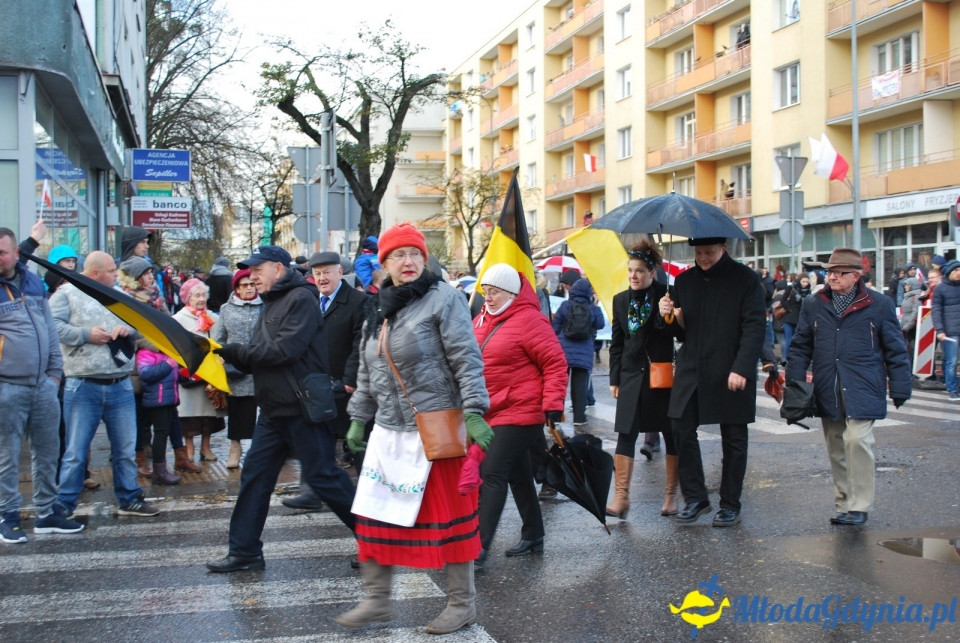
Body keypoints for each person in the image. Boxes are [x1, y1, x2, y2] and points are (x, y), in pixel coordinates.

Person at [336, 223, 492, 634]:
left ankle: (463, 604)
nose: (408, 262)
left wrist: (475, 411)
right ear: (383, 263)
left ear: (425, 259)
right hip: (389, 431)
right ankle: (376, 600)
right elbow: (369, 369)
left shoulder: (444, 298)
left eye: (415, 254)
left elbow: (466, 358)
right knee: (373, 514)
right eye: (399, 255)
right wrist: (357, 416)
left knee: (450, 519)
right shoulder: (377, 308)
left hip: (435, 426)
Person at [207, 245, 357, 573]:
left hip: (301, 406)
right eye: (249, 272)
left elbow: (284, 351)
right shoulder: (274, 301)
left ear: (278, 268)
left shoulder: (300, 299)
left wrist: (235, 353)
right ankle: (244, 551)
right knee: (255, 477)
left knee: (324, 477)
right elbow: (264, 353)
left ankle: (378, 542)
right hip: (275, 408)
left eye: (257, 271)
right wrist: (229, 359)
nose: (252, 277)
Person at [786, 248, 911, 526]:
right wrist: (794, 382)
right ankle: (845, 503)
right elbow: (800, 345)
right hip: (828, 384)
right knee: (836, 446)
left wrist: (901, 386)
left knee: (857, 440)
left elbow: (895, 348)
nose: (831, 276)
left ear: (856, 276)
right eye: (829, 271)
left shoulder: (879, 304)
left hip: (864, 384)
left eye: (838, 272)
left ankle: (860, 505)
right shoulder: (814, 303)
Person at [659, 237, 765, 527]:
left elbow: (755, 326)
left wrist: (742, 368)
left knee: (734, 439)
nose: (703, 258)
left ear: (723, 249)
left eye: (710, 253)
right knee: (679, 426)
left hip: (730, 367)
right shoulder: (684, 281)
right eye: (699, 253)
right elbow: (680, 333)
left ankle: (730, 503)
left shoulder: (746, 279)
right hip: (692, 367)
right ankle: (695, 497)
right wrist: (668, 316)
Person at [50, 251, 160, 518]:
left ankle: (129, 497)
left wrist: (129, 331)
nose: (116, 274)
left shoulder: (120, 295)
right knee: (76, 450)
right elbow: (51, 326)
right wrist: (85, 334)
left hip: (120, 383)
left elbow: (141, 327)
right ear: (95, 272)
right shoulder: (66, 294)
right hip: (83, 383)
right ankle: (65, 502)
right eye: (112, 270)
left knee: (125, 448)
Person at [473, 264, 567, 567]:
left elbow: (555, 363)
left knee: (492, 472)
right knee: (518, 473)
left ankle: (478, 547)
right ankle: (534, 534)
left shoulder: (530, 320)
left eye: (495, 291)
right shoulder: (480, 321)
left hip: (522, 410)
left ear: (512, 293)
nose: (488, 297)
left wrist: (553, 404)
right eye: (485, 291)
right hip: (492, 409)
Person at [0, 228, 84, 543]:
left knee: (48, 451)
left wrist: (54, 375)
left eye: (2, 252)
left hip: (43, 385)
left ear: (15, 254)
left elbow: (48, 327)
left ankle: (46, 512)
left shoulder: (34, 282)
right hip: (7, 386)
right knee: (7, 454)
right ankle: (7, 515)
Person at [282, 251, 369, 511]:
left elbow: (360, 343)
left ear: (340, 272)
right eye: (317, 273)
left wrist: (350, 378)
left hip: (347, 384)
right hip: (317, 384)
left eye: (327, 272)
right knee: (318, 440)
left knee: (356, 440)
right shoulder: (308, 300)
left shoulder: (357, 301)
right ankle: (310, 492)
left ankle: (367, 495)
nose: (322, 278)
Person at [607, 241, 682, 519]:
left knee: (669, 432)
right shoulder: (620, 300)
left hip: (659, 377)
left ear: (652, 272)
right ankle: (621, 497)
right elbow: (617, 343)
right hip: (629, 376)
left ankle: (670, 495)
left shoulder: (668, 294)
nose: (633, 276)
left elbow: (675, 334)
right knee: (625, 433)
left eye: (639, 271)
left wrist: (667, 314)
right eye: (630, 271)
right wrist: (615, 378)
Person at [211, 268, 262, 469]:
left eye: (252, 284)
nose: (249, 288)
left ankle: (262, 450)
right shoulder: (226, 309)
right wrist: (222, 355)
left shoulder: (266, 305)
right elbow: (218, 339)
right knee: (239, 410)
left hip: (261, 365)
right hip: (237, 368)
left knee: (264, 409)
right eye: (244, 285)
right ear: (237, 288)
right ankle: (235, 447)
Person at [173, 278, 225, 463]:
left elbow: (220, 342)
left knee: (209, 415)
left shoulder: (214, 318)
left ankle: (206, 447)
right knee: (188, 415)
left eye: (203, 295)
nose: (201, 298)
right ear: (188, 297)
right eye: (197, 295)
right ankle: (189, 448)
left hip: (210, 375)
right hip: (189, 374)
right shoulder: (178, 319)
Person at [552, 276, 604, 433]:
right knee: (580, 385)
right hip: (584, 351)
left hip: (564, 351)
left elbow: (555, 327)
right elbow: (600, 324)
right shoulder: (591, 307)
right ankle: (579, 418)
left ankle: (556, 417)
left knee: (559, 384)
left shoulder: (565, 305)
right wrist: (594, 305)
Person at [135, 342, 181, 485]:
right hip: (157, 400)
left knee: (165, 432)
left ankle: (161, 470)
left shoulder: (167, 352)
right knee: (160, 433)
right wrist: (168, 364)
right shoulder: (145, 353)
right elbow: (146, 374)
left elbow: (174, 376)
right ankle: (159, 472)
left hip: (168, 399)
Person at [932, 259, 960, 401]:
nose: (959, 273)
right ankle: (952, 389)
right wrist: (940, 330)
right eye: (956, 270)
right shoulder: (940, 288)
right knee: (952, 361)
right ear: (949, 272)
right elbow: (936, 311)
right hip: (950, 332)